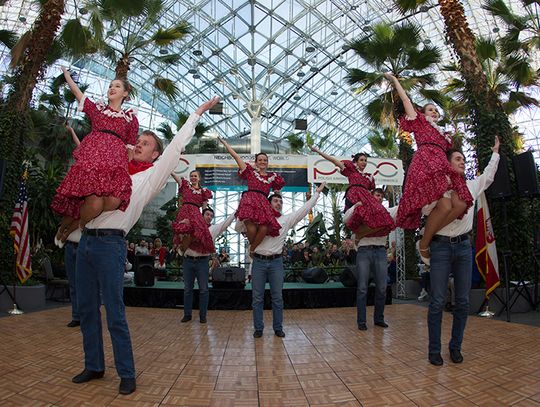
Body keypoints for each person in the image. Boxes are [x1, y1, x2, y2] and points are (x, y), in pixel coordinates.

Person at [71, 96, 220, 395]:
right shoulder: (115, 166)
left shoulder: (152, 176)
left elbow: (176, 145)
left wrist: (197, 113)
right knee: (86, 309)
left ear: (155, 156)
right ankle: (94, 365)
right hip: (85, 242)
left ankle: (127, 373)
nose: (139, 144)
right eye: (138, 140)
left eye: (147, 143)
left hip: (111, 244)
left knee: (114, 311)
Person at [385, 73, 473, 265]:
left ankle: (427, 234)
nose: (434, 112)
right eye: (430, 109)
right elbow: (406, 100)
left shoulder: (444, 135)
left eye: (436, 110)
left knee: (461, 204)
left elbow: (452, 155)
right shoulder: (420, 122)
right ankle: (424, 244)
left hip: (442, 164)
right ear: (423, 113)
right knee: (446, 205)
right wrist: (395, 81)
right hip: (426, 162)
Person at [427, 136, 500, 366]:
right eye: (458, 159)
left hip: (463, 248)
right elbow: (424, 211)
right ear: (447, 163)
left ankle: (455, 347)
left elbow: (488, 176)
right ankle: (434, 350)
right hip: (439, 247)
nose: (462, 162)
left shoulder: (471, 186)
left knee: (463, 301)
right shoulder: (437, 188)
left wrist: (495, 153)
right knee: (437, 301)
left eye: (464, 160)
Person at [52, 67, 139, 244]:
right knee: (93, 203)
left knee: (113, 202)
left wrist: (125, 170)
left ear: (125, 93)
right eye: (110, 86)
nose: (111, 88)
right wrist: (67, 76)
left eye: (117, 86)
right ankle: (63, 230)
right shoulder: (98, 110)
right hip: (94, 158)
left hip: (114, 163)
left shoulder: (130, 119)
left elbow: (129, 148)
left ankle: (80, 226)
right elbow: (78, 93)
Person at [237, 182, 326, 338]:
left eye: (281, 202)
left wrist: (317, 194)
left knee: (277, 297)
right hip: (258, 261)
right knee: (257, 297)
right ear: (268, 203)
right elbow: (238, 228)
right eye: (275, 201)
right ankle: (258, 328)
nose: (279, 203)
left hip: (276, 262)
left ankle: (278, 328)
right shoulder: (257, 218)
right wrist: (243, 207)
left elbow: (303, 210)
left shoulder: (286, 219)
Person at [309, 146, 395, 242]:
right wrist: (318, 151)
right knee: (359, 212)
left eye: (365, 160)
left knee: (383, 216)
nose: (364, 162)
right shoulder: (351, 170)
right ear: (356, 162)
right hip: (354, 195)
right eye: (361, 160)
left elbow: (372, 191)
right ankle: (357, 235)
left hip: (366, 197)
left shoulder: (369, 176)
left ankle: (361, 235)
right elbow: (333, 160)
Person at [218, 137, 285, 253]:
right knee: (251, 227)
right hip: (250, 200)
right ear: (256, 162)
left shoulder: (273, 176)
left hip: (263, 202)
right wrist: (225, 144)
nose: (263, 162)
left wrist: (278, 208)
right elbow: (236, 157)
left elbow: (277, 192)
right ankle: (254, 249)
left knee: (264, 228)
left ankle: (252, 249)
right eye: (260, 160)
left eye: (265, 160)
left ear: (268, 162)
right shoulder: (250, 172)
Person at [345, 188, 397, 331]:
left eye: (381, 196)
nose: (379, 198)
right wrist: (356, 205)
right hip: (364, 251)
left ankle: (378, 318)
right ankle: (361, 321)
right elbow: (346, 218)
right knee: (362, 288)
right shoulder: (361, 210)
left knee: (382, 287)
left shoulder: (387, 212)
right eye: (377, 195)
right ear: (371, 196)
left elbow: (401, 208)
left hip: (380, 251)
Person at [180, 208, 235, 323]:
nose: (209, 217)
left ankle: (203, 316)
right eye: (207, 214)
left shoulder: (212, 229)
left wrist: (236, 212)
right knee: (187, 289)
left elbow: (225, 223)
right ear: (202, 215)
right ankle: (187, 314)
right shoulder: (191, 225)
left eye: (211, 215)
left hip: (203, 262)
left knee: (204, 289)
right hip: (188, 260)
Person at [171, 170, 213, 253]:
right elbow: (177, 178)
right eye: (191, 176)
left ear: (199, 178)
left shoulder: (204, 192)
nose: (193, 178)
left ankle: (186, 249)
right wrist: (170, 171)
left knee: (196, 232)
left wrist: (203, 218)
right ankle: (181, 248)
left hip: (196, 212)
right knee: (184, 229)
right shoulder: (186, 186)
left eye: (195, 176)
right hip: (185, 211)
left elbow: (204, 207)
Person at [64, 229, 81, 327]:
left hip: (83, 244)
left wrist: (62, 231)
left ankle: (86, 316)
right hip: (70, 245)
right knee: (73, 284)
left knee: (84, 285)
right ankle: (76, 317)